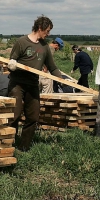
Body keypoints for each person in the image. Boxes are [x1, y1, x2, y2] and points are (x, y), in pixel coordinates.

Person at [7, 15, 63, 151]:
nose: (48, 34)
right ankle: (8, 144)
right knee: (14, 115)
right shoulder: (22, 42)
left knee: (33, 117)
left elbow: (52, 66)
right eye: (47, 31)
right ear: (40, 28)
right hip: (17, 84)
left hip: (32, 84)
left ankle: (23, 147)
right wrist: (12, 65)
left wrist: (60, 78)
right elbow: (11, 61)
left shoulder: (44, 47)